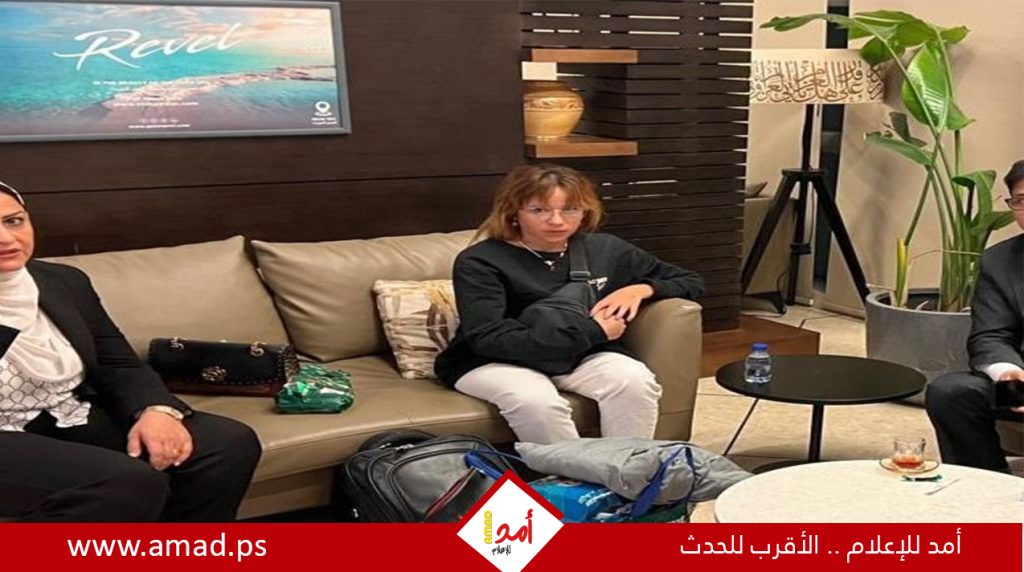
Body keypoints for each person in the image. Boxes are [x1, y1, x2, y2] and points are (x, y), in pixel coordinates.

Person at [0, 180, 261, 521]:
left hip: (66, 411)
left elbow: (116, 361)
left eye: (14, 221)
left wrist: (156, 410)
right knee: (128, 483)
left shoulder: (63, 281)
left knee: (226, 443)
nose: (5, 238)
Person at [434, 164, 704, 444]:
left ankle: (628, 467)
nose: (557, 221)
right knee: (537, 402)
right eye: (539, 210)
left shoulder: (605, 249)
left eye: (570, 209)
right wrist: (594, 331)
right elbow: (489, 338)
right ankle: (573, 472)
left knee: (634, 381)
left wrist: (640, 289)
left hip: (579, 354)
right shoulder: (480, 261)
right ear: (514, 211)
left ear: (585, 211)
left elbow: (690, 281)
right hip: (494, 361)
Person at [926, 160, 1024, 472]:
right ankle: (987, 486)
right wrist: (1010, 376)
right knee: (951, 393)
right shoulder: (1000, 261)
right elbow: (991, 335)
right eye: (1021, 200)